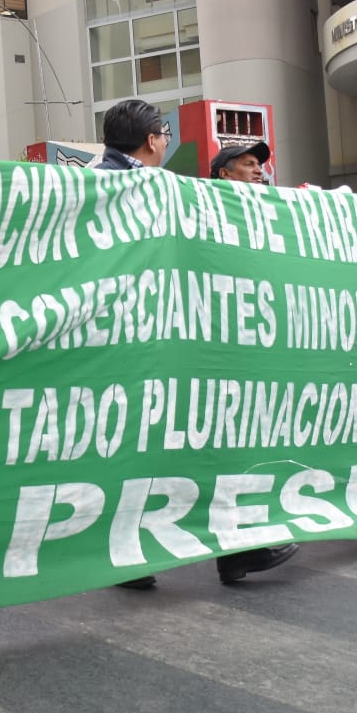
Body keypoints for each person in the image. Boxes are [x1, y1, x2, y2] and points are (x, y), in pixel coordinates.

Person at [96, 100, 296, 589]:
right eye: (163, 133)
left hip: (163, 339)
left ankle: (222, 548)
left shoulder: (109, 184)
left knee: (192, 441)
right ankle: (213, 550)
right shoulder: (126, 186)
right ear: (151, 140)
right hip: (149, 341)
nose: (166, 142)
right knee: (191, 441)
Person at [94, 98, 168, 171]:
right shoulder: (164, 180)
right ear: (151, 141)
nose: (165, 142)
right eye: (165, 135)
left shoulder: (94, 177)